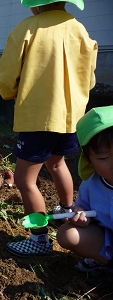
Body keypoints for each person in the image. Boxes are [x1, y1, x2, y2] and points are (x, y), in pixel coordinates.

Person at [0, 0, 97, 256]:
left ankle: (39, 239)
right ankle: (66, 211)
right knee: (58, 163)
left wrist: (9, 93)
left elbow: (6, 76)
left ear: (36, 4)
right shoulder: (79, 28)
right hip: (71, 115)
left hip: (38, 116)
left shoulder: (28, 28)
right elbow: (90, 77)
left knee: (24, 179)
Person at [57, 106, 113, 273]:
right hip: (107, 241)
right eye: (104, 157)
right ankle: (106, 263)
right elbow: (85, 212)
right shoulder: (90, 185)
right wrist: (81, 217)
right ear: (89, 160)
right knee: (67, 234)